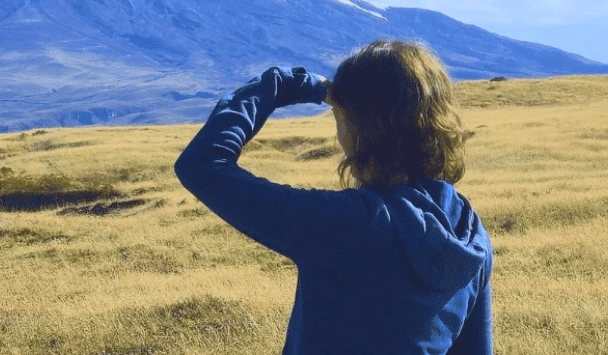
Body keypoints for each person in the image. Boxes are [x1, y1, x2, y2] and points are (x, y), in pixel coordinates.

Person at [174, 40, 493, 354]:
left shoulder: (347, 223)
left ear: (359, 127)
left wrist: (283, 83)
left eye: (339, 118)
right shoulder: (471, 233)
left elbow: (201, 165)